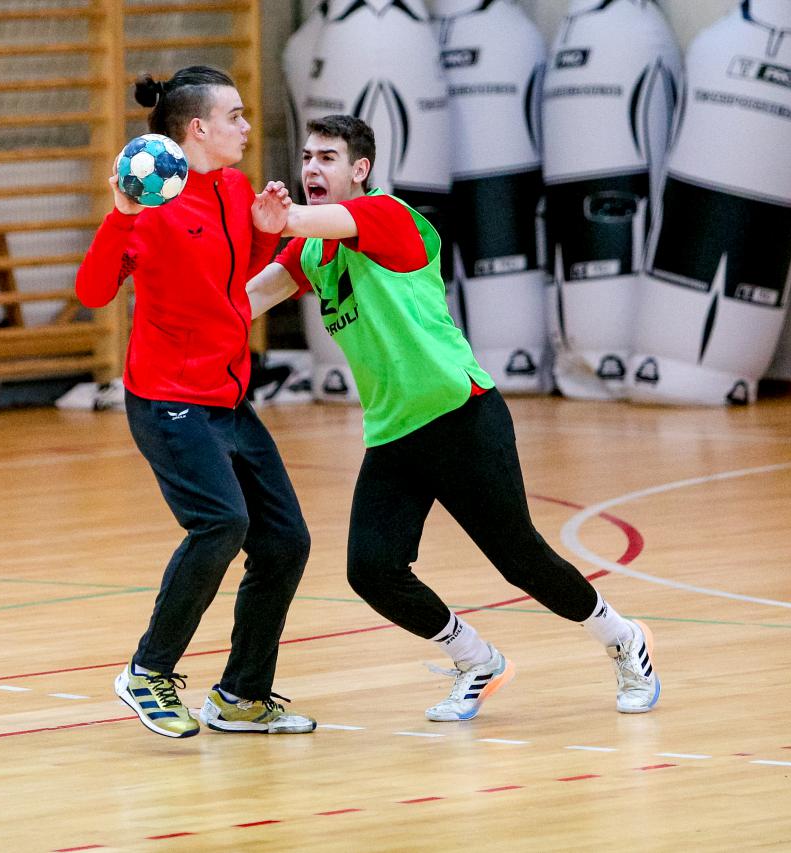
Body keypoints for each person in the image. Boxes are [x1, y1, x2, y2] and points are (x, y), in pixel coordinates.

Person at [245, 114, 660, 722]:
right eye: (307, 157)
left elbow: (303, 221)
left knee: (521, 560)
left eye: (327, 158)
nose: (311, 167)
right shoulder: (311, 249)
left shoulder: (387, 215)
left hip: (460, 414)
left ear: (360, 170)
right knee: (372, 570)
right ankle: (476, 659)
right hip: (393, 432)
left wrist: (270, 218)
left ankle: (623, 640)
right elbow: (251, 297)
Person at [76, 66, 315, 738]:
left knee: (285, 541)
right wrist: (121, 216)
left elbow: (231, 282)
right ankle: (147, 671)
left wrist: (266, 231)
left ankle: (241, 695)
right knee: (221, 524)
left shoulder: (234, 187)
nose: (247, 126)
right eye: (235, 116)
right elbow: (93, 292)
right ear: (199, 128)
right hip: (168, 399)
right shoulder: (151, 204)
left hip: (227, 396)